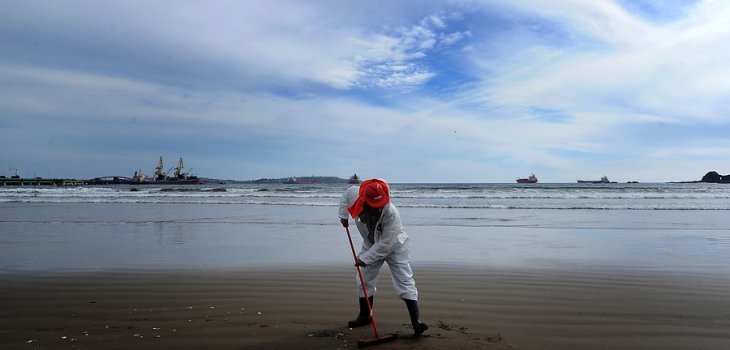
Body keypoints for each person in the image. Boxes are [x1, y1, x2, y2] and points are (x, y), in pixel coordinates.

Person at [338, 178, 428, 336]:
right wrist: (343, 215)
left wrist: (364, 259)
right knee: (364, 279)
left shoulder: (391, 213)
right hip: (371, 243)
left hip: (395, 245)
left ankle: (416, 322)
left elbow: (385, 245)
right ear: (365, 200)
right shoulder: (354, 194)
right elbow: (346, 195)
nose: (379, 208)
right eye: (375, 206)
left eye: (381, 205)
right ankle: (365, 316)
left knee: (404, 279)